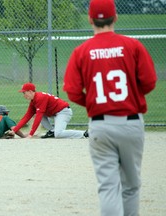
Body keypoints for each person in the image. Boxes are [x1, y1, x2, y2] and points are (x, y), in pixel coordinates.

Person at [63, 0, 157, 215]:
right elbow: (150, 81)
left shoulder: (81, 51)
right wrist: (130, 97)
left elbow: (73, 90)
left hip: (101, 125)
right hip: (131, 122)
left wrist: (96, 103)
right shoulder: (132, 45)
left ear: (90, 19)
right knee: (131, 186)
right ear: (115, 17)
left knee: (108, 187)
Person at [9, 82, 88, 139]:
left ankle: (84, 133)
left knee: (58, 134)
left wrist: (31, 134)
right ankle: (52, 131)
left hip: (63, 112)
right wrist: (15, 130)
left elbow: (38, 117)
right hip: (56, 113)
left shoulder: (40, 98)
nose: (24, 95)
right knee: (40, 115)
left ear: (30, 91)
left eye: (24, 92)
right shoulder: (33, 101)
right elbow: (26, 117)